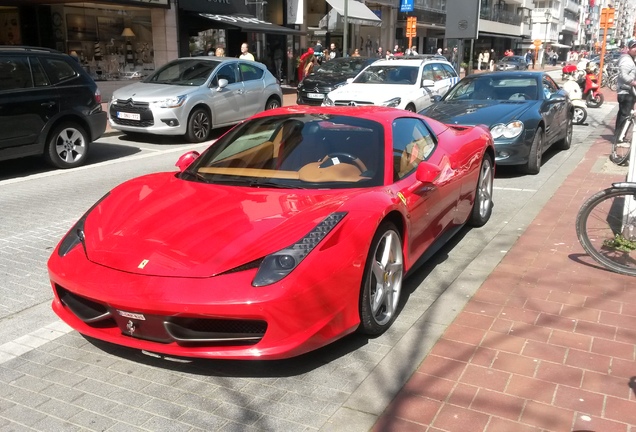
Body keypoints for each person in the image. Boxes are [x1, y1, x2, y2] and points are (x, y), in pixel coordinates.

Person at [615, 40, 636, 141]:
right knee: (625, 115)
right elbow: (623, 74)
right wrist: (633, 82)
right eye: (634, 47)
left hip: (627, 91)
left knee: (624, 114)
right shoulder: (627, 60)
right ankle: (619, 137)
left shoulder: (631, 59)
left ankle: (620, 136)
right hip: (626, 91)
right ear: (628, 48)